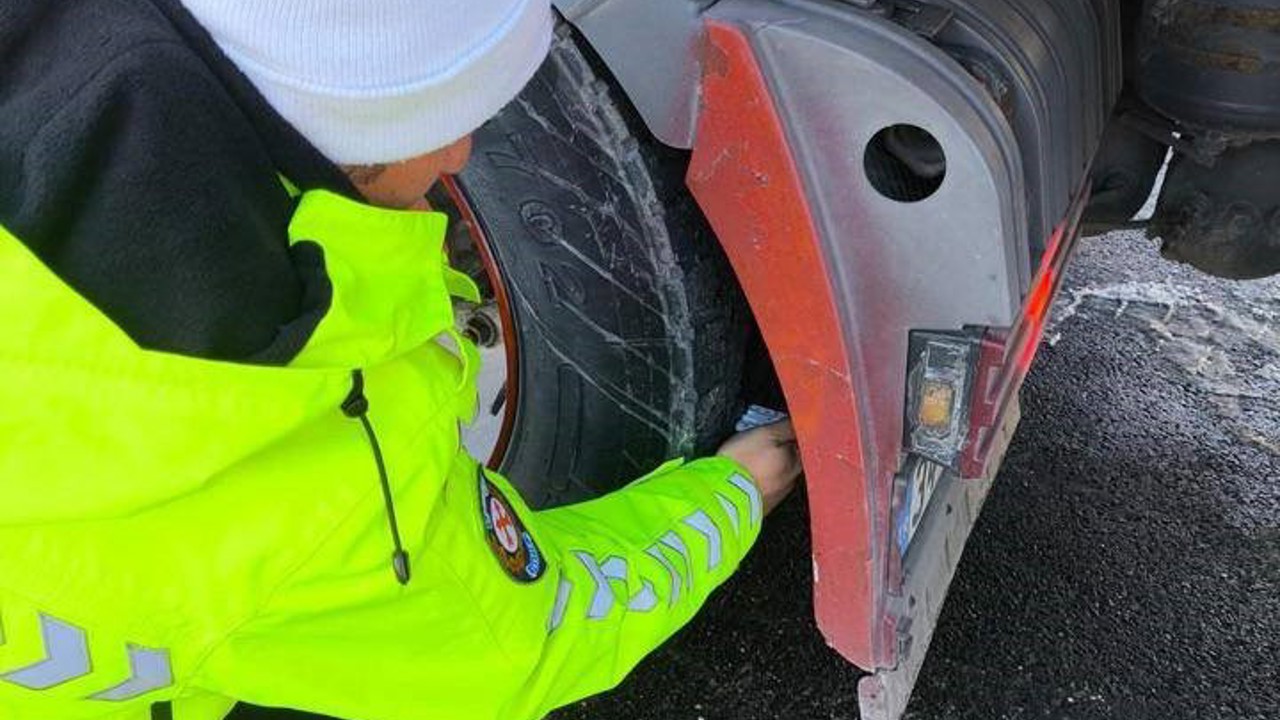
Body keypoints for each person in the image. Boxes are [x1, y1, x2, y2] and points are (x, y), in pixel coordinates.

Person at [0, 1, 802, 719]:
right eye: (447, 119)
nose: (463, 154)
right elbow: (526, 643)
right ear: (355, 118)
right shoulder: (297, 481)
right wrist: (728, 500)